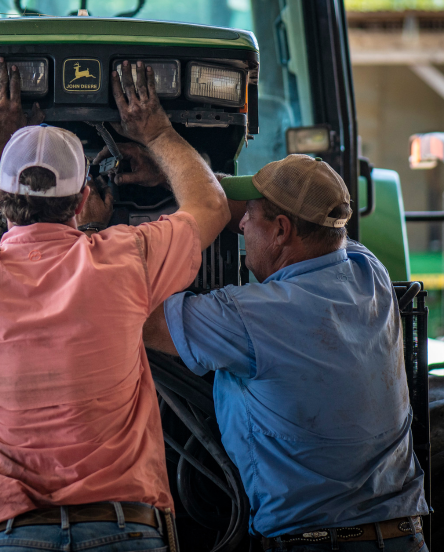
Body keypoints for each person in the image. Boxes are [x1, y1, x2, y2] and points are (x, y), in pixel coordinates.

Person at [0, 57, 229, 552]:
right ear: (83, 200)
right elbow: (210, 205)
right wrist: (158, 133)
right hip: (125, 529)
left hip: (12, 535)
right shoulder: (126, 257)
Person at [132, 152, 430, 551]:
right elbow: (282, 220)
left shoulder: (253, 316)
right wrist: (169, 173)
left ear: (282, 230)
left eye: (249, 216)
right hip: (404, 535)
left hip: (315, 544)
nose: (238, 223)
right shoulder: (367, 270)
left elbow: (135, 317)